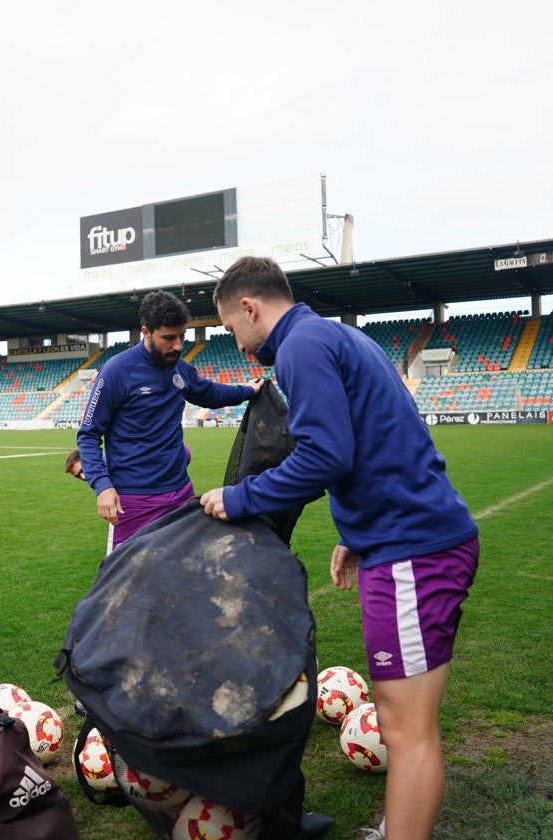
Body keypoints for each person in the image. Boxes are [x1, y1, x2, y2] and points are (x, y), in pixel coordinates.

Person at [199, 256, 478, 840]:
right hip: (403, 541)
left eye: (230, 330)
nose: (240, 345)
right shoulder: (338, 335)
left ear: (249, 308)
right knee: (406, 722)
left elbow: (326, 456)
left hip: (411, 550)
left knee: (407, 728)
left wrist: (241, 497)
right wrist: (356, 536)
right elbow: (384, 439)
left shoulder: (300, 347)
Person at [77, 290, 262, 551]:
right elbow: (88, 435)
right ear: (146, 332)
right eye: (168, 338)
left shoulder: (180, 368)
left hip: (181, 493)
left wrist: (247, 390)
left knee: (181, 575)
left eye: (182, 336)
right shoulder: (117, 371)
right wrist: (102, 486)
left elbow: (210, 393)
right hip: (134, 501)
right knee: (126, 583)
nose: (177, 345)